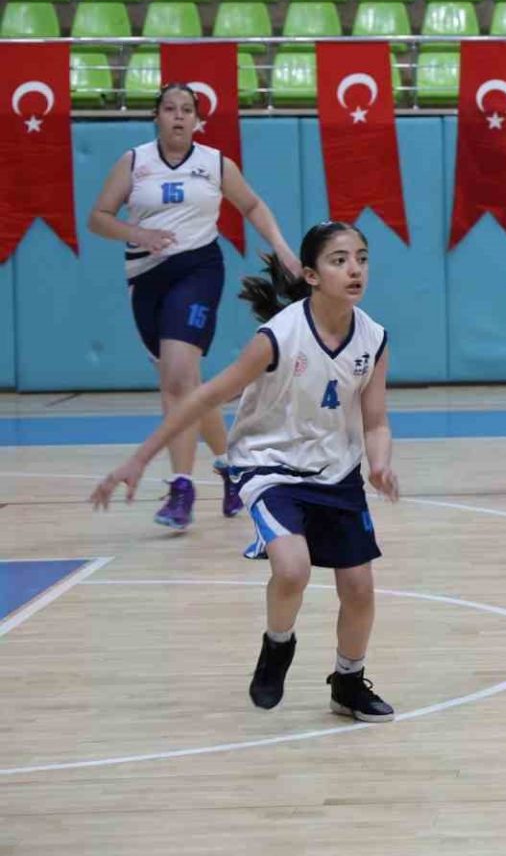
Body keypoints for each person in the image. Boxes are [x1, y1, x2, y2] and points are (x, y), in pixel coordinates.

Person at [91, 221, 399, 723]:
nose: (354, 269)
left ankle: (348, 682)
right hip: (270, 466)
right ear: (311, 275)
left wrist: (380, 461)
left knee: (360, 589)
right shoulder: (278, 336)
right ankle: (278, 645)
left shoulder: (373, 338)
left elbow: (377, 420)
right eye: (339, 260)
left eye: (361, 258)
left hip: (336, 472)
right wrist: (140, 458)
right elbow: (206, 396)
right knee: (292, 569)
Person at [86, 83, 301, 530]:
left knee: (178, 377)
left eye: (187, 110)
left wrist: (281, 248)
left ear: (199, 120)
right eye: (170, 109)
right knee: (188, 386)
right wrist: (137, 234)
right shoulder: (134, 162)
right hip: (145, 278)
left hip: (198, 270)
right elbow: (98, 218)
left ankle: (181, 489)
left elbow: (252, 205)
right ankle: (232, 469)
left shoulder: (215, 163)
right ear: (157, 117)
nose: (179, 116)